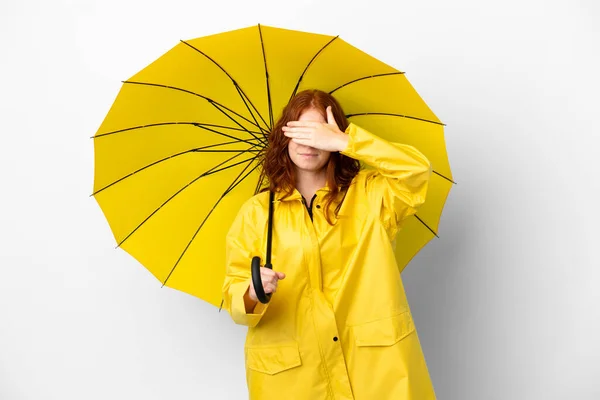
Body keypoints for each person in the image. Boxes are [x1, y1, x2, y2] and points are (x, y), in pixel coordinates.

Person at [221, 89, 435, 399]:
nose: (308, 142)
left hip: (374, 371)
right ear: (284, 137)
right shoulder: (257, 212)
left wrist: (348, 142)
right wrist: (252, 292)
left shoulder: (371, 195)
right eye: (299, 131)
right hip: (294, 379)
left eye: (318, 132)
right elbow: (235, 301)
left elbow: (416, 173)